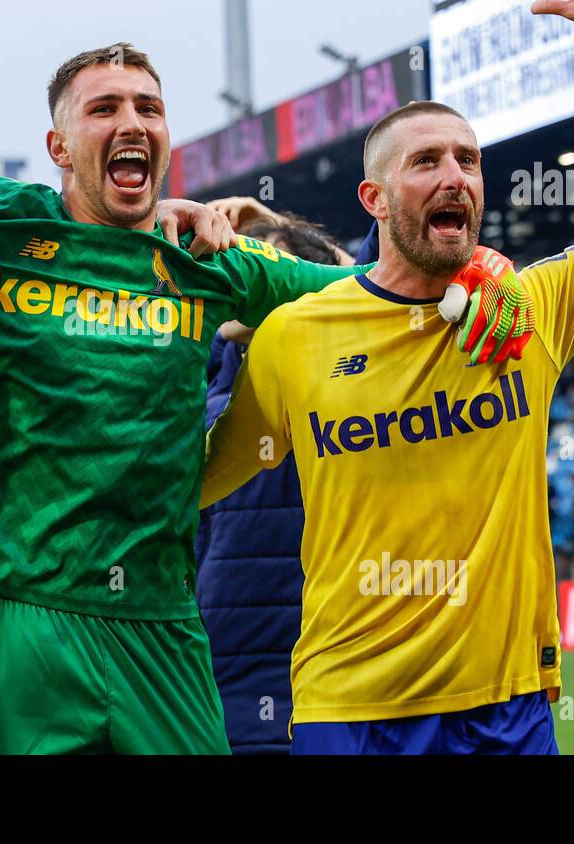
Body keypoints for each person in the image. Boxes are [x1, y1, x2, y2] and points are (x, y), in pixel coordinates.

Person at [0, 44, 531, 754]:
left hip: (163, 625)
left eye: (148, 109)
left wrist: (482, 265)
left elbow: (381, 289)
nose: (130, 122)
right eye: (104, 110)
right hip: (23, 617)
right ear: (60, 147)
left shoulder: (208, 260)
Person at [200, 0, 574, 754]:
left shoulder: (537, 305)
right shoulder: (296, 336)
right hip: (347, 712)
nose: (456, 176)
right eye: (427, 162)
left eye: (469, 161)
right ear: (372, 197)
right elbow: (200, 481)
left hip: (507, 709)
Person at [196, 207, 349, 754]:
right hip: (223, 698)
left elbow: (388, 285)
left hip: (327, 695)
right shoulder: (208, 399)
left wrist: (273, 220)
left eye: (277, 273)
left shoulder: (357, 388)